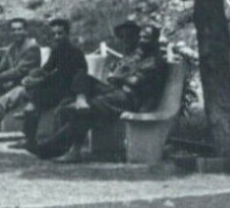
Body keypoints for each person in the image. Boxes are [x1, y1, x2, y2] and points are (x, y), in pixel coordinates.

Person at [30, 23, 169, 161]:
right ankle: (81, 99)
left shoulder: (154, 61)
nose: (141, 40)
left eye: (146, 38)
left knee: (83, 113)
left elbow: (134, 82)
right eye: (141, 37)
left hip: (131, 99)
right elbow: (117, 73)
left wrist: (119, 76)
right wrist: (120, 74)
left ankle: (50, 149)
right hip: (118, 91)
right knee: (81, 76)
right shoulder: (138, 56)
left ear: (154, 41)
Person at [15, 18, 89, 151]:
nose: (56, 37)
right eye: (54, 34)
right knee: (31, 105)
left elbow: (69, 75)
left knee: (39, 99)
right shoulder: (56, 50)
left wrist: (41, 79)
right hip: (55, 89)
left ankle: (55, 145)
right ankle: (29, 139)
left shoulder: (75, 52)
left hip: (70, 90)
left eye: (60, 33)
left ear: (67, 34)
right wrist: (35, 74)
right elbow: (47, 68)